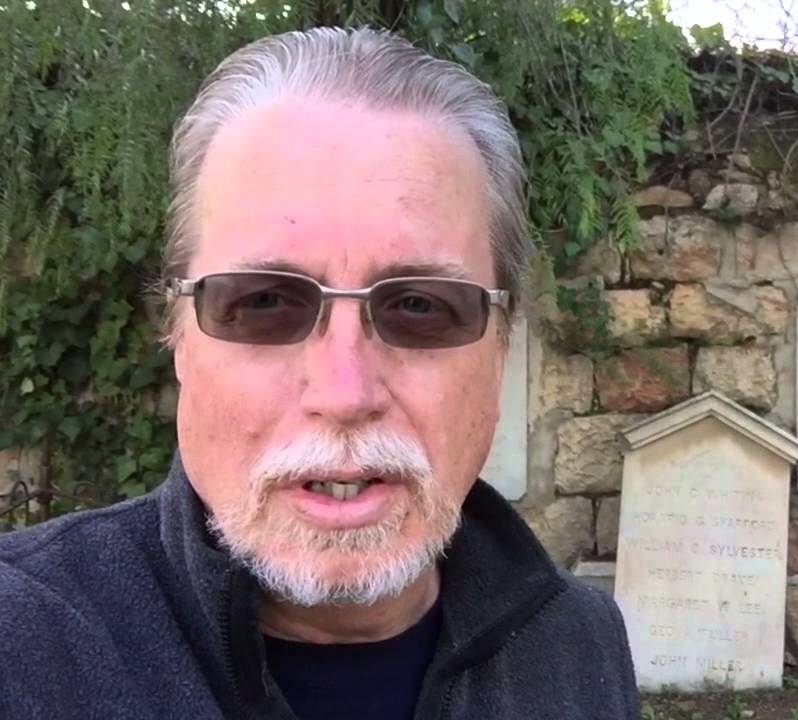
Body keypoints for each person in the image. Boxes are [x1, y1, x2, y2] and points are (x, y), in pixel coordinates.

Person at [0, 26, 638, 719]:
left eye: (420, 307)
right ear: (178, 336)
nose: (345, 393)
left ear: (502, 348)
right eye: (264, 304)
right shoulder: (24, 646)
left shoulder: (579, 643)